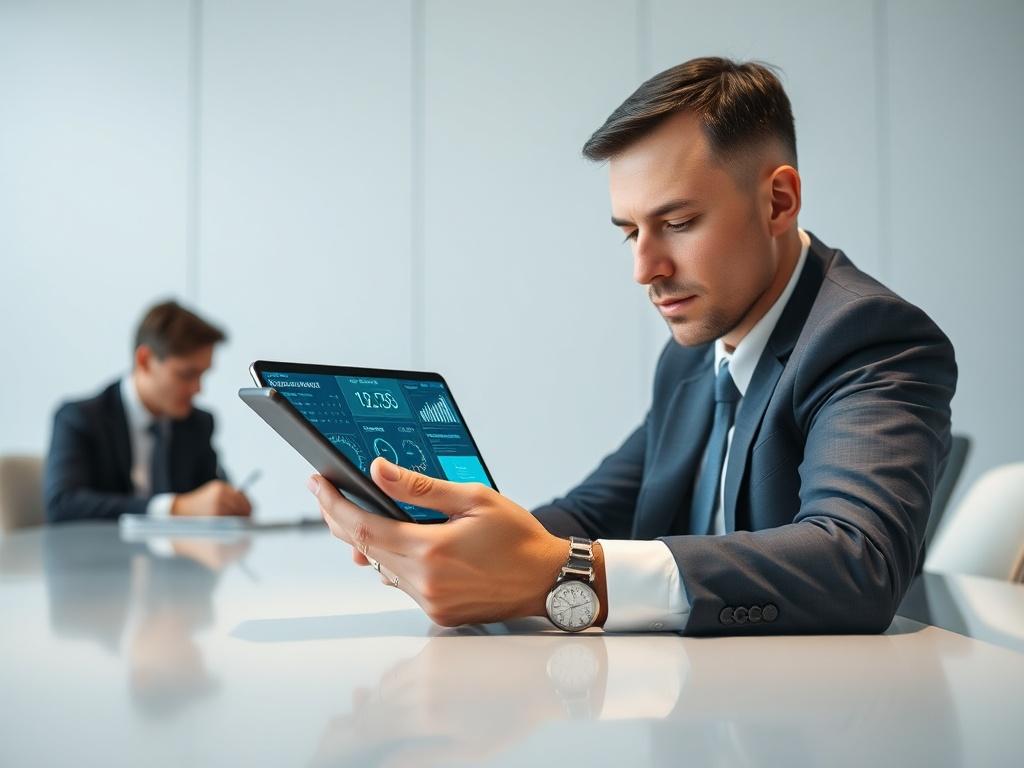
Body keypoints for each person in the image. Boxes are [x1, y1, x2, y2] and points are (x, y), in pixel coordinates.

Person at [308, 57, 957, 635]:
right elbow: (594, 511)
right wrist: (458, 547)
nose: (644, 269)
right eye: (630, 233)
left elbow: (858, 562)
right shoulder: (691, 353)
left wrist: (563, 577)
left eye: (677, 224)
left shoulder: (868, 336)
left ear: (778, 201)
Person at [45, 300, 252, 522]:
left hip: (178, 555)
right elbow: (63, 504)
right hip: (99, 554)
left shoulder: (197, 424)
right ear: (145, 360)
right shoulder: (80, 419)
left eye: (202, 375)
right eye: (186, 375)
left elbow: (208, 496)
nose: (197, 389)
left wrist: (226, 504)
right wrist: (175, 507)